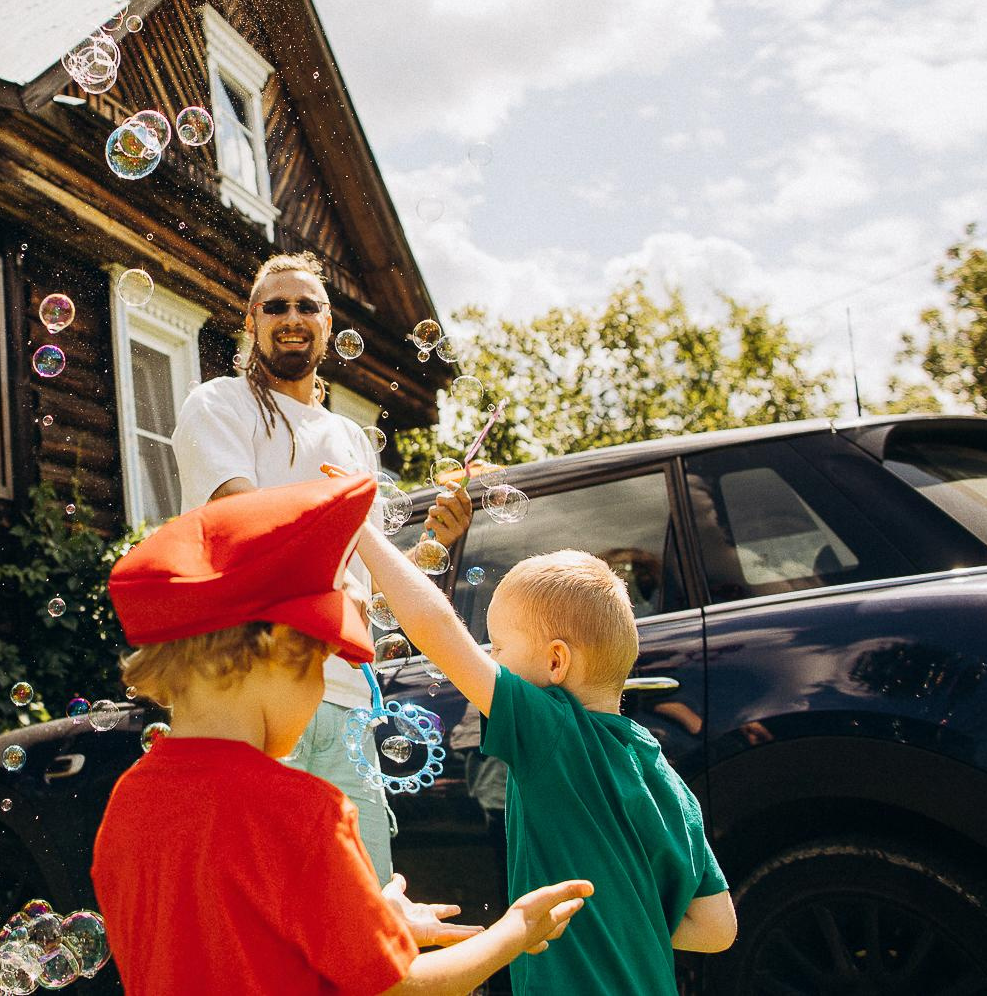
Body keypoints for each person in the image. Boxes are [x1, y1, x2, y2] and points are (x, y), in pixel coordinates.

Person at [92, 473, 594, 996]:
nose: (319, 695)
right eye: (321, 668)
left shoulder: (128, 803)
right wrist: (516, 930)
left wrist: (370, 920)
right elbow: (402, 986)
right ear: (275, 651)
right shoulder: (302, 811)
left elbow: (230, 939)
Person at [171, 251, 472, 882]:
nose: (291, 317)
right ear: (250, 321)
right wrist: (343, 535)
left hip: (344, 704)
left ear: (328, 323)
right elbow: (246, 524)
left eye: (307, 305)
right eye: (274, 305)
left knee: (366, 908)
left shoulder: (352, 439)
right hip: (247, 690)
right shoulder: (218, 404)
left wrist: (430, 550)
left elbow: (366, 592)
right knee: (265, 913)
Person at [354, 536, 737, 996]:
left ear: (556, 661)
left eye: (497, 647)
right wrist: (621, 919)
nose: (489, 659)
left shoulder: (553, 733)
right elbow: (718, 930)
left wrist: (364, 530)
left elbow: (436, 629)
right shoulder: (660, 774)